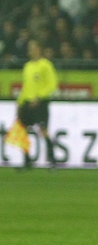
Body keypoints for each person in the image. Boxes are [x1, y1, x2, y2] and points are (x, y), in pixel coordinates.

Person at [16, 39, 58, 169]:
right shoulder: (27, 66)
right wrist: (20, 103)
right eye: (30, 48)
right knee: (22, 131)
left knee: (43, 130)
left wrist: (39, 98)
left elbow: (52, 84)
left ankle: (52, 161)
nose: (31, 50)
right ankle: (27, 161)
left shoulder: (46, 65)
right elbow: (25, 87)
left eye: (33, 47)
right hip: (27, 103)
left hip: (40, 103)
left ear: (39, 49)